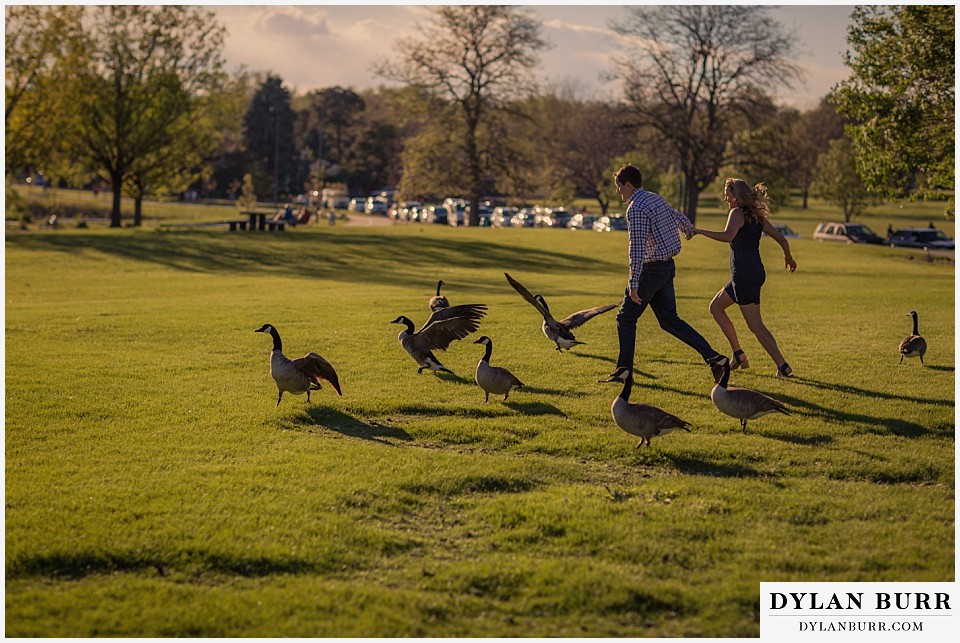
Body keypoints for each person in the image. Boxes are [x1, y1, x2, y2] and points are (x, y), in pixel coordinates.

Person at [611, 164, 728, 375]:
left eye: (619, 186)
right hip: (666, 268)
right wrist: (688, 229)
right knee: (670, 321)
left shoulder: (636, 208)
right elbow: (676, 215)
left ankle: (623, 371)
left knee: (625, 319)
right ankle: (714, 357)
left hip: (650, 271)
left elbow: (636, 247)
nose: (618, 191)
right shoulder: (655, 198)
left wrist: (633, 282)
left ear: (628, 185)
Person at [692, 178, 796, 377]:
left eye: (728, 194)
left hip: (744, 276)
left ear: (737, 195)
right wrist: (788, 257)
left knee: (756, 325)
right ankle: (738, 354)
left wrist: (699, 231)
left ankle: (783, 367)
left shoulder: (737, 213)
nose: (726, 197)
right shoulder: (757, 217)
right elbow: (781, 238)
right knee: (716, 307)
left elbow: (728, 236)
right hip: (752, 273)